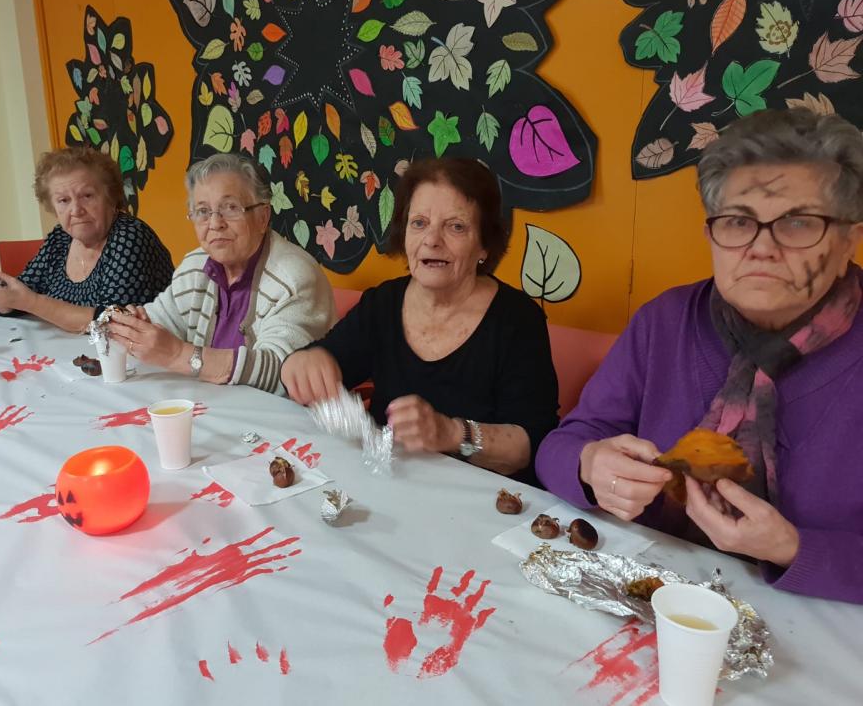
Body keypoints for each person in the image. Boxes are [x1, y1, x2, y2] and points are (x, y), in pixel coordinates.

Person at [535, 108, 863, 604]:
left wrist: (793, 548)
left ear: (848, 242)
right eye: (738, 222)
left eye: (798, 223)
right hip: (645, 599)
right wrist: (589, 465)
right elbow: (561, 447)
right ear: (712, 235)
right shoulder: (665, 322)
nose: (761, 248)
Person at [280, 157, 559, 479]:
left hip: (484, 496)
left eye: (455, 226)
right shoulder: (384, 302)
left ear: (484, 244)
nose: (432, 240)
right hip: (392, 481)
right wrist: (302, 363)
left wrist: (451, 433)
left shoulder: (518, 320)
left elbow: (530, 446)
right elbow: (323, 358)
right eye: (419, 223)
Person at [107, 153, 335, 394]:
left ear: (262, 217)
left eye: (231, 208)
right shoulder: (195, 266)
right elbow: (160, 321)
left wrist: (177, 354)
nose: (215, 224)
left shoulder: (293, 278)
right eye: (203, 211)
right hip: (212, 407)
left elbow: (282, 374)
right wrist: (136, 329)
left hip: (281, 415)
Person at [0, 147, 174, 332]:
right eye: (63, 200)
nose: (76, 210)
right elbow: (21, 296)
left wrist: (31, 302)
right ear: (53, 207)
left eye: (87, 196)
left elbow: (113, 323)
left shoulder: (130, 237)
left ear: (111, 197)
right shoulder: (61, 238)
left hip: (137, 359)